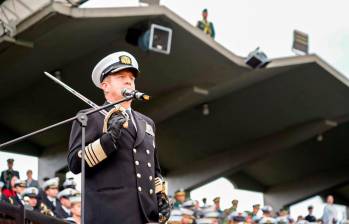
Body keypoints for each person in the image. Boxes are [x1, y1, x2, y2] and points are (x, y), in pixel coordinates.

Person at [68, 51, 168, 224]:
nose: (129, 80)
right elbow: (75, 164)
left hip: (147, 216)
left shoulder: (147, 123)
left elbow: (154, 169)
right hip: (110, 214)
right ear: (105, 86)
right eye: (121, 76)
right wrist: (109, 139)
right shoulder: (90, 116)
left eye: (131, 77)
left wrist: (160, 196)